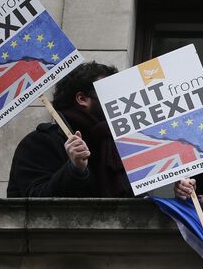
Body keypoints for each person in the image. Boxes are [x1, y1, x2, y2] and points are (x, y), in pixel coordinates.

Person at [7, 61, 133, 197]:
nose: (119, 100)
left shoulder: (123, 143)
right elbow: (33, 207)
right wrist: (74, 169)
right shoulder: (39, 142)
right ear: (82, 99)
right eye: (110, 94)